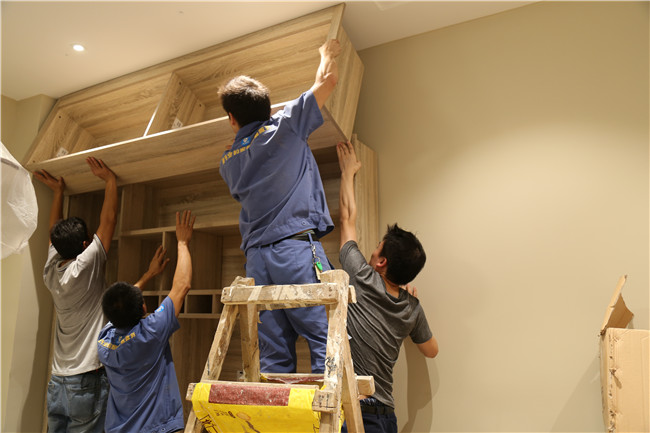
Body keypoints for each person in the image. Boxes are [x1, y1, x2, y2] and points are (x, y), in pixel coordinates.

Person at [218, 39, 342, 374]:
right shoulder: (285, 125)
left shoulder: (227, 161)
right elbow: (328, 80)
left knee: (273, 357)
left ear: (231, 118)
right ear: (269, 108)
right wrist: (326, 54)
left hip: (257, 261)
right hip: (294, 251)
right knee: (325, 341)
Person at [336, 140, 439, 433]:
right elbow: (431, 350)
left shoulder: (361, 276)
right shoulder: (412, 308)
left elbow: (347, 218)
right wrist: (407, 317)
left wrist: (348, 172)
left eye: (377, 247)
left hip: (356, 414)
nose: (372, 251)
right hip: (385, 418)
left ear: (381, 262)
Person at [34, 157, 118, 433]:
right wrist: (110, 180)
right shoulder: (85, 266)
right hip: (85, 380)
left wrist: (58, 192)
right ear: (84, 244)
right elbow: (108, 221)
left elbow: (53, 233)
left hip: (58, 380)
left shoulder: (50, 271)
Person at [97, 210, 195, 433]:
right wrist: (182, 242)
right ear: (143, 308)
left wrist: (148, 275)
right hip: (155, 428)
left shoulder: (104, 340)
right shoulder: (150, 333)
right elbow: (182, 287)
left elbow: (121, 302)